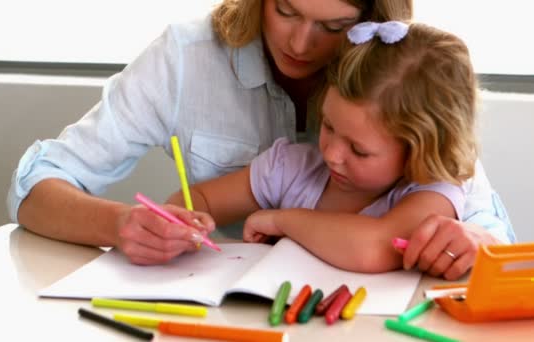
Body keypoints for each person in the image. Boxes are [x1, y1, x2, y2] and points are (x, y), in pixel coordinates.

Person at [7, 0, 514, 279]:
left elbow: (486, 229)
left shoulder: (403, 76)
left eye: (333, 26)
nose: (299, 44)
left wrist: (479, 244)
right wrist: (131, 225)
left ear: (370, 23)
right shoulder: (187, 58)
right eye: (286, 10)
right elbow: (37, 183)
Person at [166, 20, 492, 277]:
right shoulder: (289, 167)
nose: (332, 154)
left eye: (359, 150)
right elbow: (199, 200)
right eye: (328, 126)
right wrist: (177, 219)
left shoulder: (432, 193)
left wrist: (281, 221)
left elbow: (372, 247)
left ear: (419, 151)